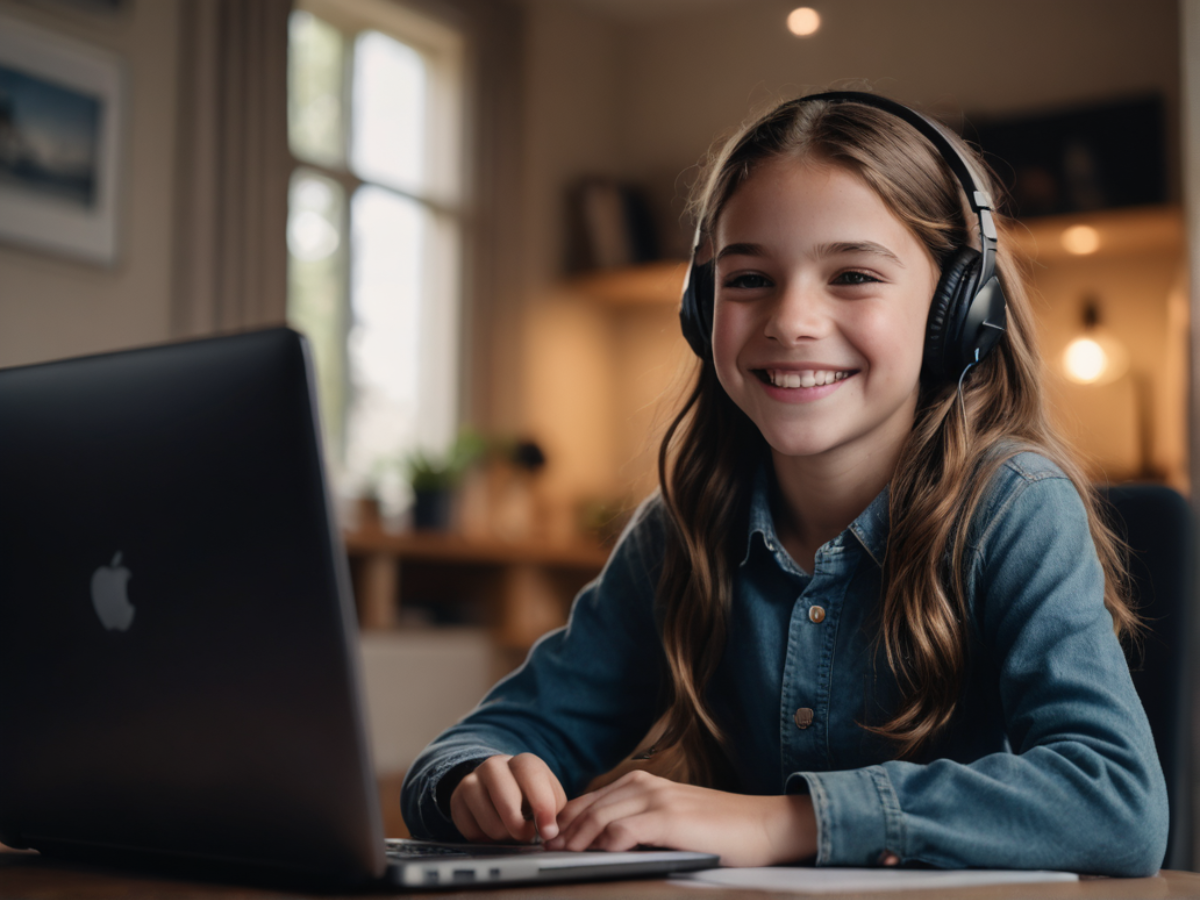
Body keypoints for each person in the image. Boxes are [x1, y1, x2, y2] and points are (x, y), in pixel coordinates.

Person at [400, 91, 1168, 874]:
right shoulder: (686, 528)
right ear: (702, 310)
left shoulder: (1013, 509)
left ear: (958, 309)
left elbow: (1116, 802)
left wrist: (785, 823)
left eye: (854, 274)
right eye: (749, 279)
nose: (792, 319)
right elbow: (481, 742)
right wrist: (476, 780)